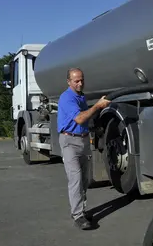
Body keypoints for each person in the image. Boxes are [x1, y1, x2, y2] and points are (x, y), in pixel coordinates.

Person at [57, 67, 111, 230]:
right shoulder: (67, 97)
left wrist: (94, 126)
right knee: (76, 178)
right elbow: (80, 118)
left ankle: (81, 209)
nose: (80, 83)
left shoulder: (81, 97)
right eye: (76, 81)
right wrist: (97, 106)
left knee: (86, 179)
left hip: (83, 141)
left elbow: (85, 117)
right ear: (69, 82)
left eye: (82, 80)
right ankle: (78, 215)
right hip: (69, 142)